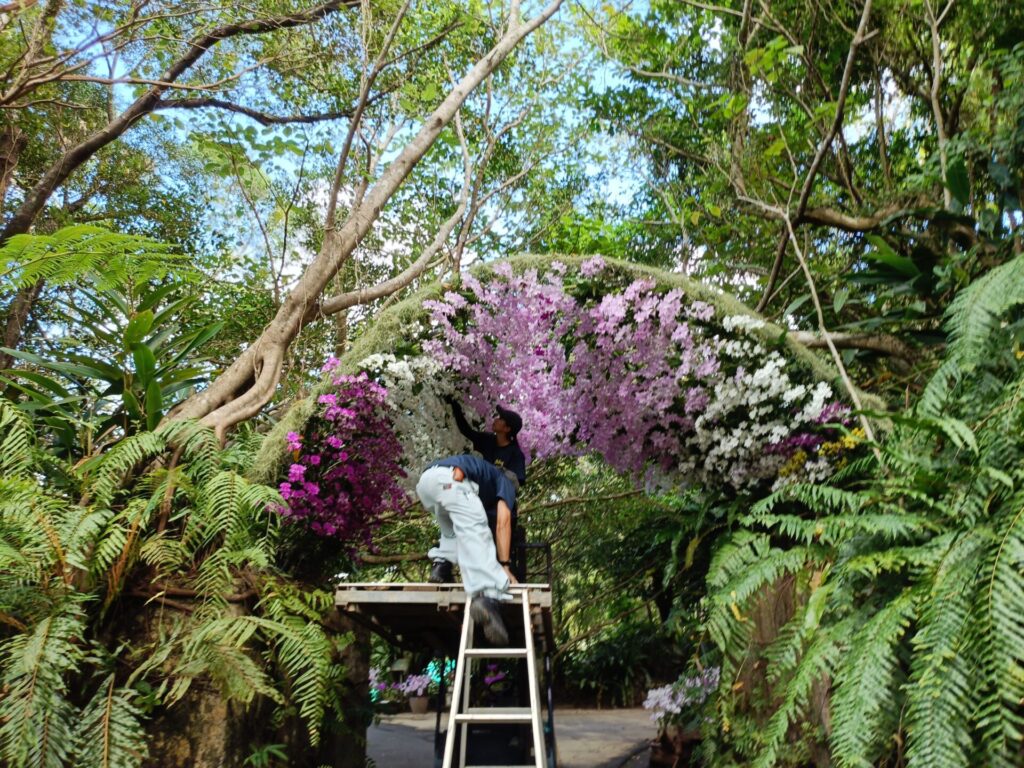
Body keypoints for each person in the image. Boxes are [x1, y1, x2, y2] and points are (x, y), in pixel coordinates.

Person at [416, 454, 518, 644]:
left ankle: (442, 566)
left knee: (454, 532)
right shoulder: (505, 481)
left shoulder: (484, 476)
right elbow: (503, 523)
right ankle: (489, 598)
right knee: (477, 531)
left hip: (426, 484)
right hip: (451, 480)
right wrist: (504, 565)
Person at [447, 399, 527, 488]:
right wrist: (456, 407)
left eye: (500, 419)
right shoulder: (488, 440)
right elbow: (466, 431)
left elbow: (515, 482)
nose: (496, 419)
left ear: (507, 429)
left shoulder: (516, 454)